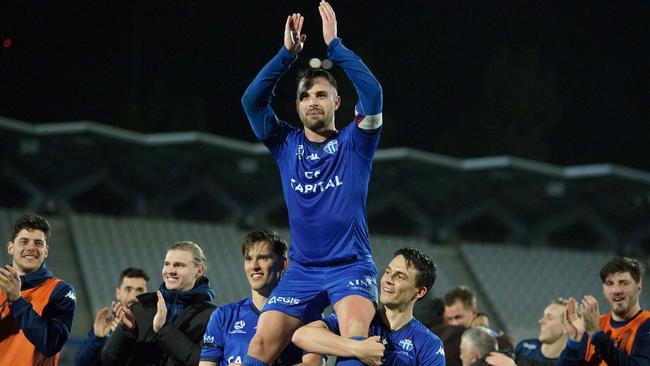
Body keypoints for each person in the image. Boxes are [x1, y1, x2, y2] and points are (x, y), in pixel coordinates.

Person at [241, 1, 383, 365]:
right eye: (305, 96)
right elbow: (252, 101)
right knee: (259, 346)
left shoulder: (356, 142)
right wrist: (286, 55)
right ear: (298, 105)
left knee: (356, 337)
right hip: (302, 269)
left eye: (321, 94)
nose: (312, 101)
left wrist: (335, 46)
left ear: (336, 101)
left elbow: (373, 94)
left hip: (350, 265)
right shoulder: (285, 144)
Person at [292, 248, 445, 366]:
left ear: (420, 292)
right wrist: (357, 348)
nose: (387, 280)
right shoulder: (359, 317)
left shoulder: (429, 344)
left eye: (400, 277)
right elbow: (302, 335)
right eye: (387, 272)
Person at [200, 230, 321, 366]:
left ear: (283, 263)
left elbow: (313, 364)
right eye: (249, 259)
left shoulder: (305, 313)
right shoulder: (224, 315)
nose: (254, 266)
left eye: (263, 258)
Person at [101, 241, 216, 366]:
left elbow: (202, 362)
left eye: (179, 265)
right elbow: (109, 361)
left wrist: (164, 329)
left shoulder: (214, 317)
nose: (170, 271)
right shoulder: (142, 308)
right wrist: (127, 332)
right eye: (167, 264)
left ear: (199, 270)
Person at [0, 213, 77, 365]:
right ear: (10, 247)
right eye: (24, 242)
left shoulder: (60, 290)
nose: (31, 248)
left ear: (46, 251)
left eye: (38, 243)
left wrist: (17, 301)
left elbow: (51, 344)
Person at [557, 256, 650, 366]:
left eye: (624, 283)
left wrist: (595, 333)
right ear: (604, 290)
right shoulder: (594, 324)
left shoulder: (646, 323)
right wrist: (575, 340)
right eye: (610, 284)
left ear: (638, 287)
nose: (616, 290)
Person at [74, 267, 150, 366]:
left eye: (140, 290)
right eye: (128, 289)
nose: (133, 297)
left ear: (147, 294)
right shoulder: (105, 327)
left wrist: (122, 336)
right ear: (118, 293)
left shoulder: (153, 327)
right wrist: (98, 339)